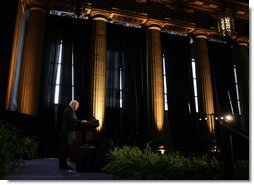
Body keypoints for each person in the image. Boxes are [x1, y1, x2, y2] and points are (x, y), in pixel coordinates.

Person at [59, 100, 87, 170]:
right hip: (67, 134)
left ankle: (63, 165)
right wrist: (81, 121)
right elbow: (72, 120)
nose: (78, 106)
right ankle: (63, 165)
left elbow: (73, 121)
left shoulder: (71, 110)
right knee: (64, 150)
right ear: (74, 104)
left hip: (69, 134)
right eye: (77, 105)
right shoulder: (69, 110)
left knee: (66, 150)